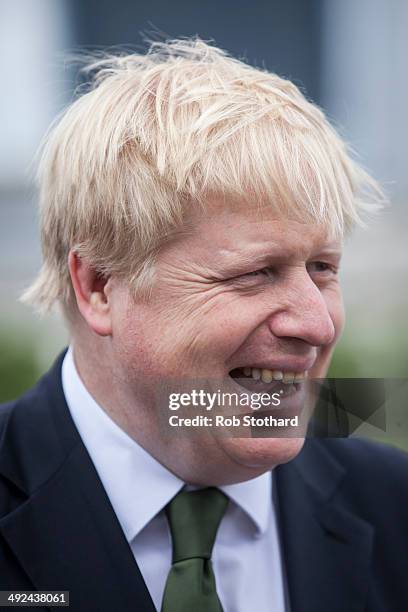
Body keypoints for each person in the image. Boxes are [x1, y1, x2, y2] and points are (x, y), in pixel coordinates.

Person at [0, 38, 407, 612]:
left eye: (322, 268)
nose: (317, 326)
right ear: (98, 286)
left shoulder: (393, 509)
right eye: (255, 274)